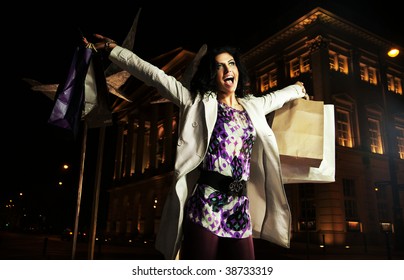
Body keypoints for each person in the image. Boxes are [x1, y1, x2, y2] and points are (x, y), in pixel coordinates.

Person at [92, 34, 306, 260]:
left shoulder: (253, 105)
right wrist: (113, 49)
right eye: (219, 66)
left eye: (231, 63)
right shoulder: (195, 102)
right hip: (206, 204)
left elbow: (277, 96)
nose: (227, 69)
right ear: (212, 75)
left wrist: (299, 89)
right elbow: (154, 76)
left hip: (239, 206)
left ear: (238, 70)